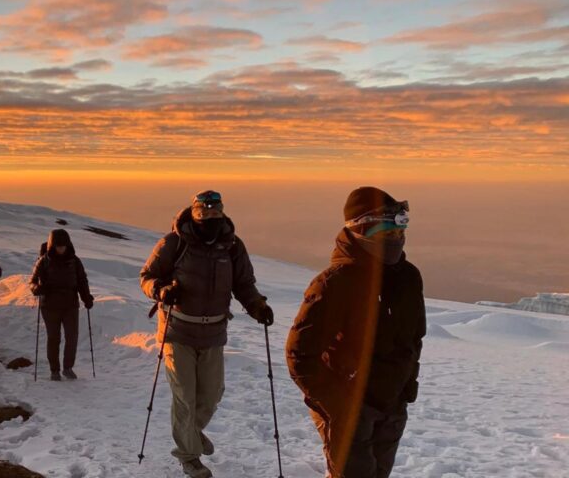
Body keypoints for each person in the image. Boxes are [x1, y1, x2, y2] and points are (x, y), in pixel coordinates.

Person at [285, 187, 425, 478]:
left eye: (400, 232)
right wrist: (336, 403)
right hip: (348, 406)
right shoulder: (335, 283)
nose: (397, 239)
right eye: (388, 233)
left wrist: (407, 384)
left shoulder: (408, 277)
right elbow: (299, 353)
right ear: (362, 230)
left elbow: (413, 337)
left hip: (391, 402)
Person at [139, 190, 273, 478]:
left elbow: (244, 283)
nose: (210, 219)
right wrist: (162, 291)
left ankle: (192, 435)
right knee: (185, 397)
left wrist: (256, 305)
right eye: (205, 214)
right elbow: (147, 278)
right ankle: (189, 456)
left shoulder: (232, 246)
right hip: (178, 331)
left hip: (213, 332)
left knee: (211, 396)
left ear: (222, 213)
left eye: (216, 214)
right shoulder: (174, 243)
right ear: (195, 213)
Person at [30, 229, 94, 382]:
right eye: (58, 246)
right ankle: (54, 370)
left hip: (70, 305)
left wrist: (87, 298)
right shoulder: (43, 261)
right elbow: (32, 282)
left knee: (72, 337)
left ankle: (68, 368)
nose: (61, 248)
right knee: (54, 338)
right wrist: (37, 289)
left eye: (63, 245)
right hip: (49, 306)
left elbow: (82, 281)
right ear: (52, 245)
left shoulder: (74, 261)